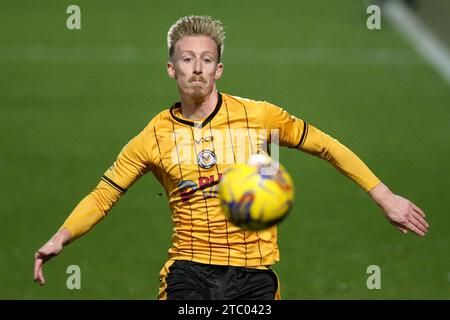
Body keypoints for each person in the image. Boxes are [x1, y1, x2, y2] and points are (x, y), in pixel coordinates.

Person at [33, 15, 428, 300]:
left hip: (254, 272)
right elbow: (104, 195)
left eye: (206, 60)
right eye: (187, 59)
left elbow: (326, 145)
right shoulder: (153, 137)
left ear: (218, 68)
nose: (197, 68)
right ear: (171, 69)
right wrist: (61, 237)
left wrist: (385, 196)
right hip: (188, 270)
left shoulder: (259, 116)